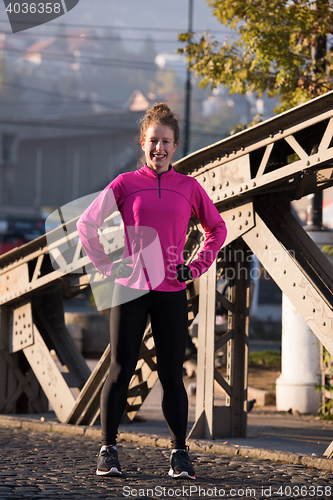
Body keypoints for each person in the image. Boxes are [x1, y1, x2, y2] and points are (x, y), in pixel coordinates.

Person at [76, 103, 227, 479]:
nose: (159, 148)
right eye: (153, 141)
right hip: (129, 290)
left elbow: (217, 230)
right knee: (119, 368)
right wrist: (109, 266)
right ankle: (108, 451)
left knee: (172, 374)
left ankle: (179, 455)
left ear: (175, 146)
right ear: (143, 142)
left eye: (166, 142)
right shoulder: (125, 184)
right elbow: (86, 224)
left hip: (171, 289)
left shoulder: (189, 188)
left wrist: (194, 266)